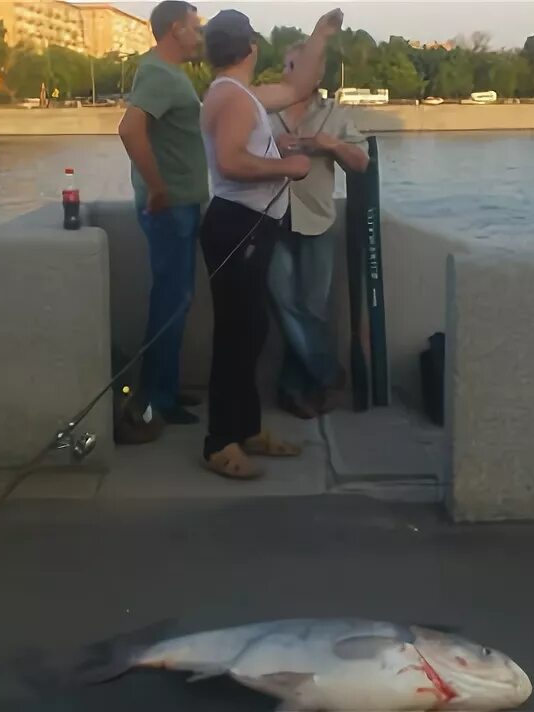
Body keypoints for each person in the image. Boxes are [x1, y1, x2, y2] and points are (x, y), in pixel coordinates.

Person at [197, 8, 343, 479]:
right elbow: (231, 162)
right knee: (237, 335)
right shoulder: (236, 99)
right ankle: (220, 442)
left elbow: (300, 88)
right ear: (252, 48)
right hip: (237, 225)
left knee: (253, 329)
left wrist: (320, 35)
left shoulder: (238, 94)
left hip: (248, 226)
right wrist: (287, 167)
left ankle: (247, 427)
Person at [117, 0, 207, 432]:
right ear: (176, 29)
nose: (200, 36)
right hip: (170, 210)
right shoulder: (157, 72)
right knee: (171, 304)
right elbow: (130, 128)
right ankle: (155, 398)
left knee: (176, 301)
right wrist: (157, 187)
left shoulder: (169, 74)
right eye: (196, 28)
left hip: (181, 207)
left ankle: (165, 389)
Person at [269, 43, 370, 419]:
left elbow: (361, 163)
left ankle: (294, 389)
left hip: (317, 220)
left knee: (312, 308)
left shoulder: (335, 115)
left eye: (294, 65)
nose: (287, 72)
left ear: (316, 73)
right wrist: (270, 148)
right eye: (285, 65)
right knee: (283, 303)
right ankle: (328, 373)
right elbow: (232, 153)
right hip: (271, 219)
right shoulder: (265, 112)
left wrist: (333, 144)